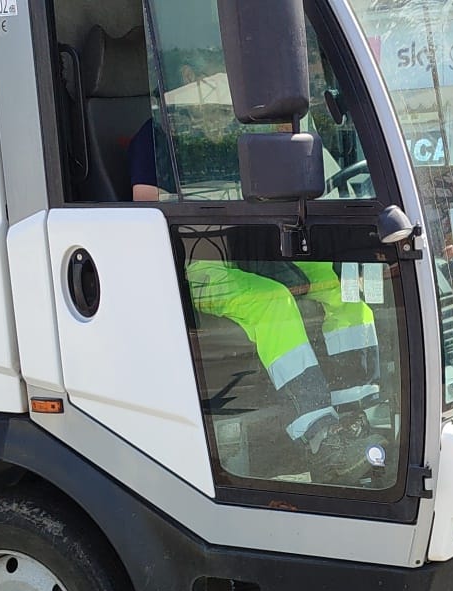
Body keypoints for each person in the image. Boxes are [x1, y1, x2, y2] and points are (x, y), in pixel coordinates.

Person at [129, 118, 379, 470]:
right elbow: (145, 209)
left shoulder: (242, 131)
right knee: (273, 302)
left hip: (257, 246)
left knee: (343, 291)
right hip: (199, 259)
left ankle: (354, 415)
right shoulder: (157, 134)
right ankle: (320, 433)